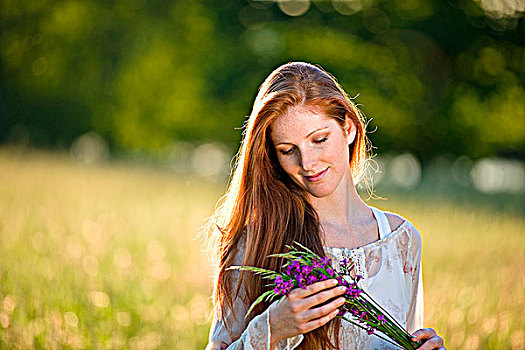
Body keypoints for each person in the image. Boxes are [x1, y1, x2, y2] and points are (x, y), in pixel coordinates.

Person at [204, 62, 445, 350]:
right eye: (288, 150)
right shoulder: (258, 241)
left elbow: (406, 337)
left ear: (349, 128)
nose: (307, 163)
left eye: (319, 140)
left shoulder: (402, 241)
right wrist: (271, 329)